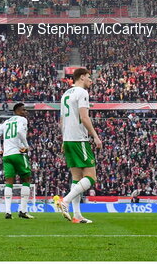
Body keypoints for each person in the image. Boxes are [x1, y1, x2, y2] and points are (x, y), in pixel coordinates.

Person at [53, 68, 102, 224]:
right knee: (91, 177)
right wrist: (95, 136)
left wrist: (63, 140)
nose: (91, 80)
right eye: (89, 77)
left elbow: (62, 121)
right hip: (79, 139)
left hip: (68, 139)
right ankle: (65, 201)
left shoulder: (65, 94)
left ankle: (77, 215)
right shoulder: (82, 93)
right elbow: (84, 117)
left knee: (76, 178)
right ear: (81, 77)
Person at [0, 102, 34, 219]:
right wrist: (26, 146)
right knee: (26, 178)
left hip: (6, 155)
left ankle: (8, 212)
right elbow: (20, 132)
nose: (25, 112)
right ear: (18, 111)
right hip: (18, 153)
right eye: (23, 110)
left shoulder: (6, 122)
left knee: (9, 182)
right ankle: (23, 211)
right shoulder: (22, 120)